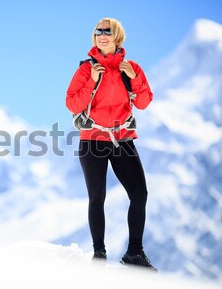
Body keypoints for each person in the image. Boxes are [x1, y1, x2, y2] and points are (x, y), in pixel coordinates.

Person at [65, 17, 156, 270]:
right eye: (98, 31)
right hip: (93, 140)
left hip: (123, 140)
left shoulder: (131, 68)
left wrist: (134, 77)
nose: (102, 35)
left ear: (118, 37)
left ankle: (134, 254)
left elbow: (144, 101)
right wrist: (93, 80)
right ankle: (99, 254)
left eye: (107, 31)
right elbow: (72, 103)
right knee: (97, 197)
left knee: (139, 194)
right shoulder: (86, 70)